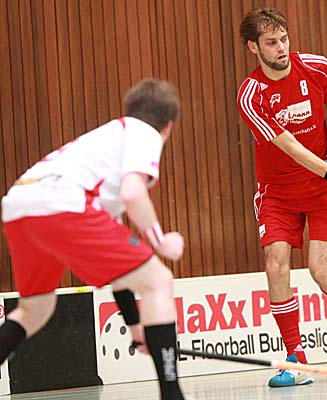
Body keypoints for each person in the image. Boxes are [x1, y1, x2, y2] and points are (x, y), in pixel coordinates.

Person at [0, 79, 189, 400]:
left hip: (19, 207)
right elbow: (133, 192)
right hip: (64, 205)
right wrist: (160, 241)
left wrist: (136, 326)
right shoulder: (144, 132)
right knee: (159, 280)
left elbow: (120, 272)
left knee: (35, 309)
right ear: (168, 127)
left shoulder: (103, 146)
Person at [237, 7, 327, 387]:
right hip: (277, 194)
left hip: (321, 190)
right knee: (276, 264)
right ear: (253, 47)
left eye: (284, 39)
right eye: (271, 42)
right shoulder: (251, 96)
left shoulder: (316, 67)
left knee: (320, 268)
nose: (281, 48)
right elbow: (292, 150)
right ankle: (296, 358)